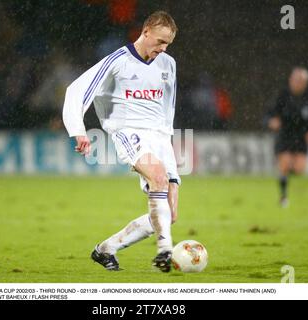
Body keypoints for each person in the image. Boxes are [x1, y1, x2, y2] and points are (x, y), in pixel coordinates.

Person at [62, 11, 179, 272]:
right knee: (157, 178)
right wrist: (78, 130)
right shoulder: (117, 61)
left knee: (169, 214)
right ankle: (165, 251)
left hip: (160, 136)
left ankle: (106, 249)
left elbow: (168, 106)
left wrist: (167, 142)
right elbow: (77, 90)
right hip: (128, 131)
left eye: (167, 44)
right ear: (145, 31)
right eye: (160, 41)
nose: (163, 48)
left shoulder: (168, 64)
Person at [266, 67, 308, 207]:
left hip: (301, 137)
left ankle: (283, 172)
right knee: (285, 163)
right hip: (285, 135)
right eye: (295, 80)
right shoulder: (282, 95)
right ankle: (284, 197)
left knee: (299, 169)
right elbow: (268, 114)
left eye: (301, 80)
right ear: (290, 80)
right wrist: (271, 121)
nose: (297, 83)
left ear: (306, 82)